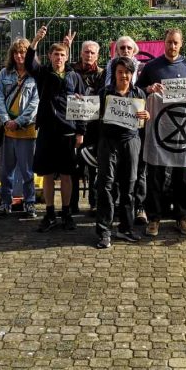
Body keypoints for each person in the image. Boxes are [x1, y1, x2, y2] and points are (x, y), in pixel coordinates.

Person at [138, 27, 186, 237]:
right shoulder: (151, 67)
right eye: (169, 42)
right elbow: (138, 92)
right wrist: (149, 89)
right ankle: (154, 219)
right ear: (165, 43)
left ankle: (181, 217)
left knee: (182, 177)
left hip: (182, 133)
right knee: (156, 176)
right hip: (158, 132)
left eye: (175, 43)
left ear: (181, 44)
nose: (172, 46)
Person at [26, 25, 85, 232]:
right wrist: (35, 41)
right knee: (48, 175)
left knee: (67, 176)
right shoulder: (42, 73)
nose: (58, 58)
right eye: (55, 54)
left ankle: (66, 212)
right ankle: (50, 213)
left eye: (62, 54)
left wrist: (80, 131)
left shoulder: (75, 77)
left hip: (68, 134)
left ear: (67, 57)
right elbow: (28, 63)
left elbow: (83, 106)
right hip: (47, 133)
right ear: (49, 56)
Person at [94, 57, 150, 249]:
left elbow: (144, 119)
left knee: (129, 186)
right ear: (114, 73)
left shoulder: (139, 93)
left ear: (132, 74)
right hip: (108, 143)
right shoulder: (104, 93)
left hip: (131, 142)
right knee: (106, 185)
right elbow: (93, 115)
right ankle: (104, 231)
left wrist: (146, 116)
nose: (124, 76)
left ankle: (126, 228)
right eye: (120, 72)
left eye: (127, 72)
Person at [0, 38, 40, 219]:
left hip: (27, 129)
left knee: (27, 170)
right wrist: (6, 120)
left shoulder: (34, 75)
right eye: (16, 52)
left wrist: (19, 121)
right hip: (8, 130)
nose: (20, 56)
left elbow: (35, 102)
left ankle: (30, 203)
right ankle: (6, 203)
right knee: (7, 170)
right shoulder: (5, 73)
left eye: (23, 52)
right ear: (12, 55)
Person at [69, 39, 104, 215]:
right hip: (74, 125)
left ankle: (95, 203)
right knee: (74, 167)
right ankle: (72, 204)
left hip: (94, 126)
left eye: (92, 52)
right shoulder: (72, 71)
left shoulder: (102, 74)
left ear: (97, 55)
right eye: (86, 52)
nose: (89, 55)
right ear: (81, 53)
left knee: (94, 166)